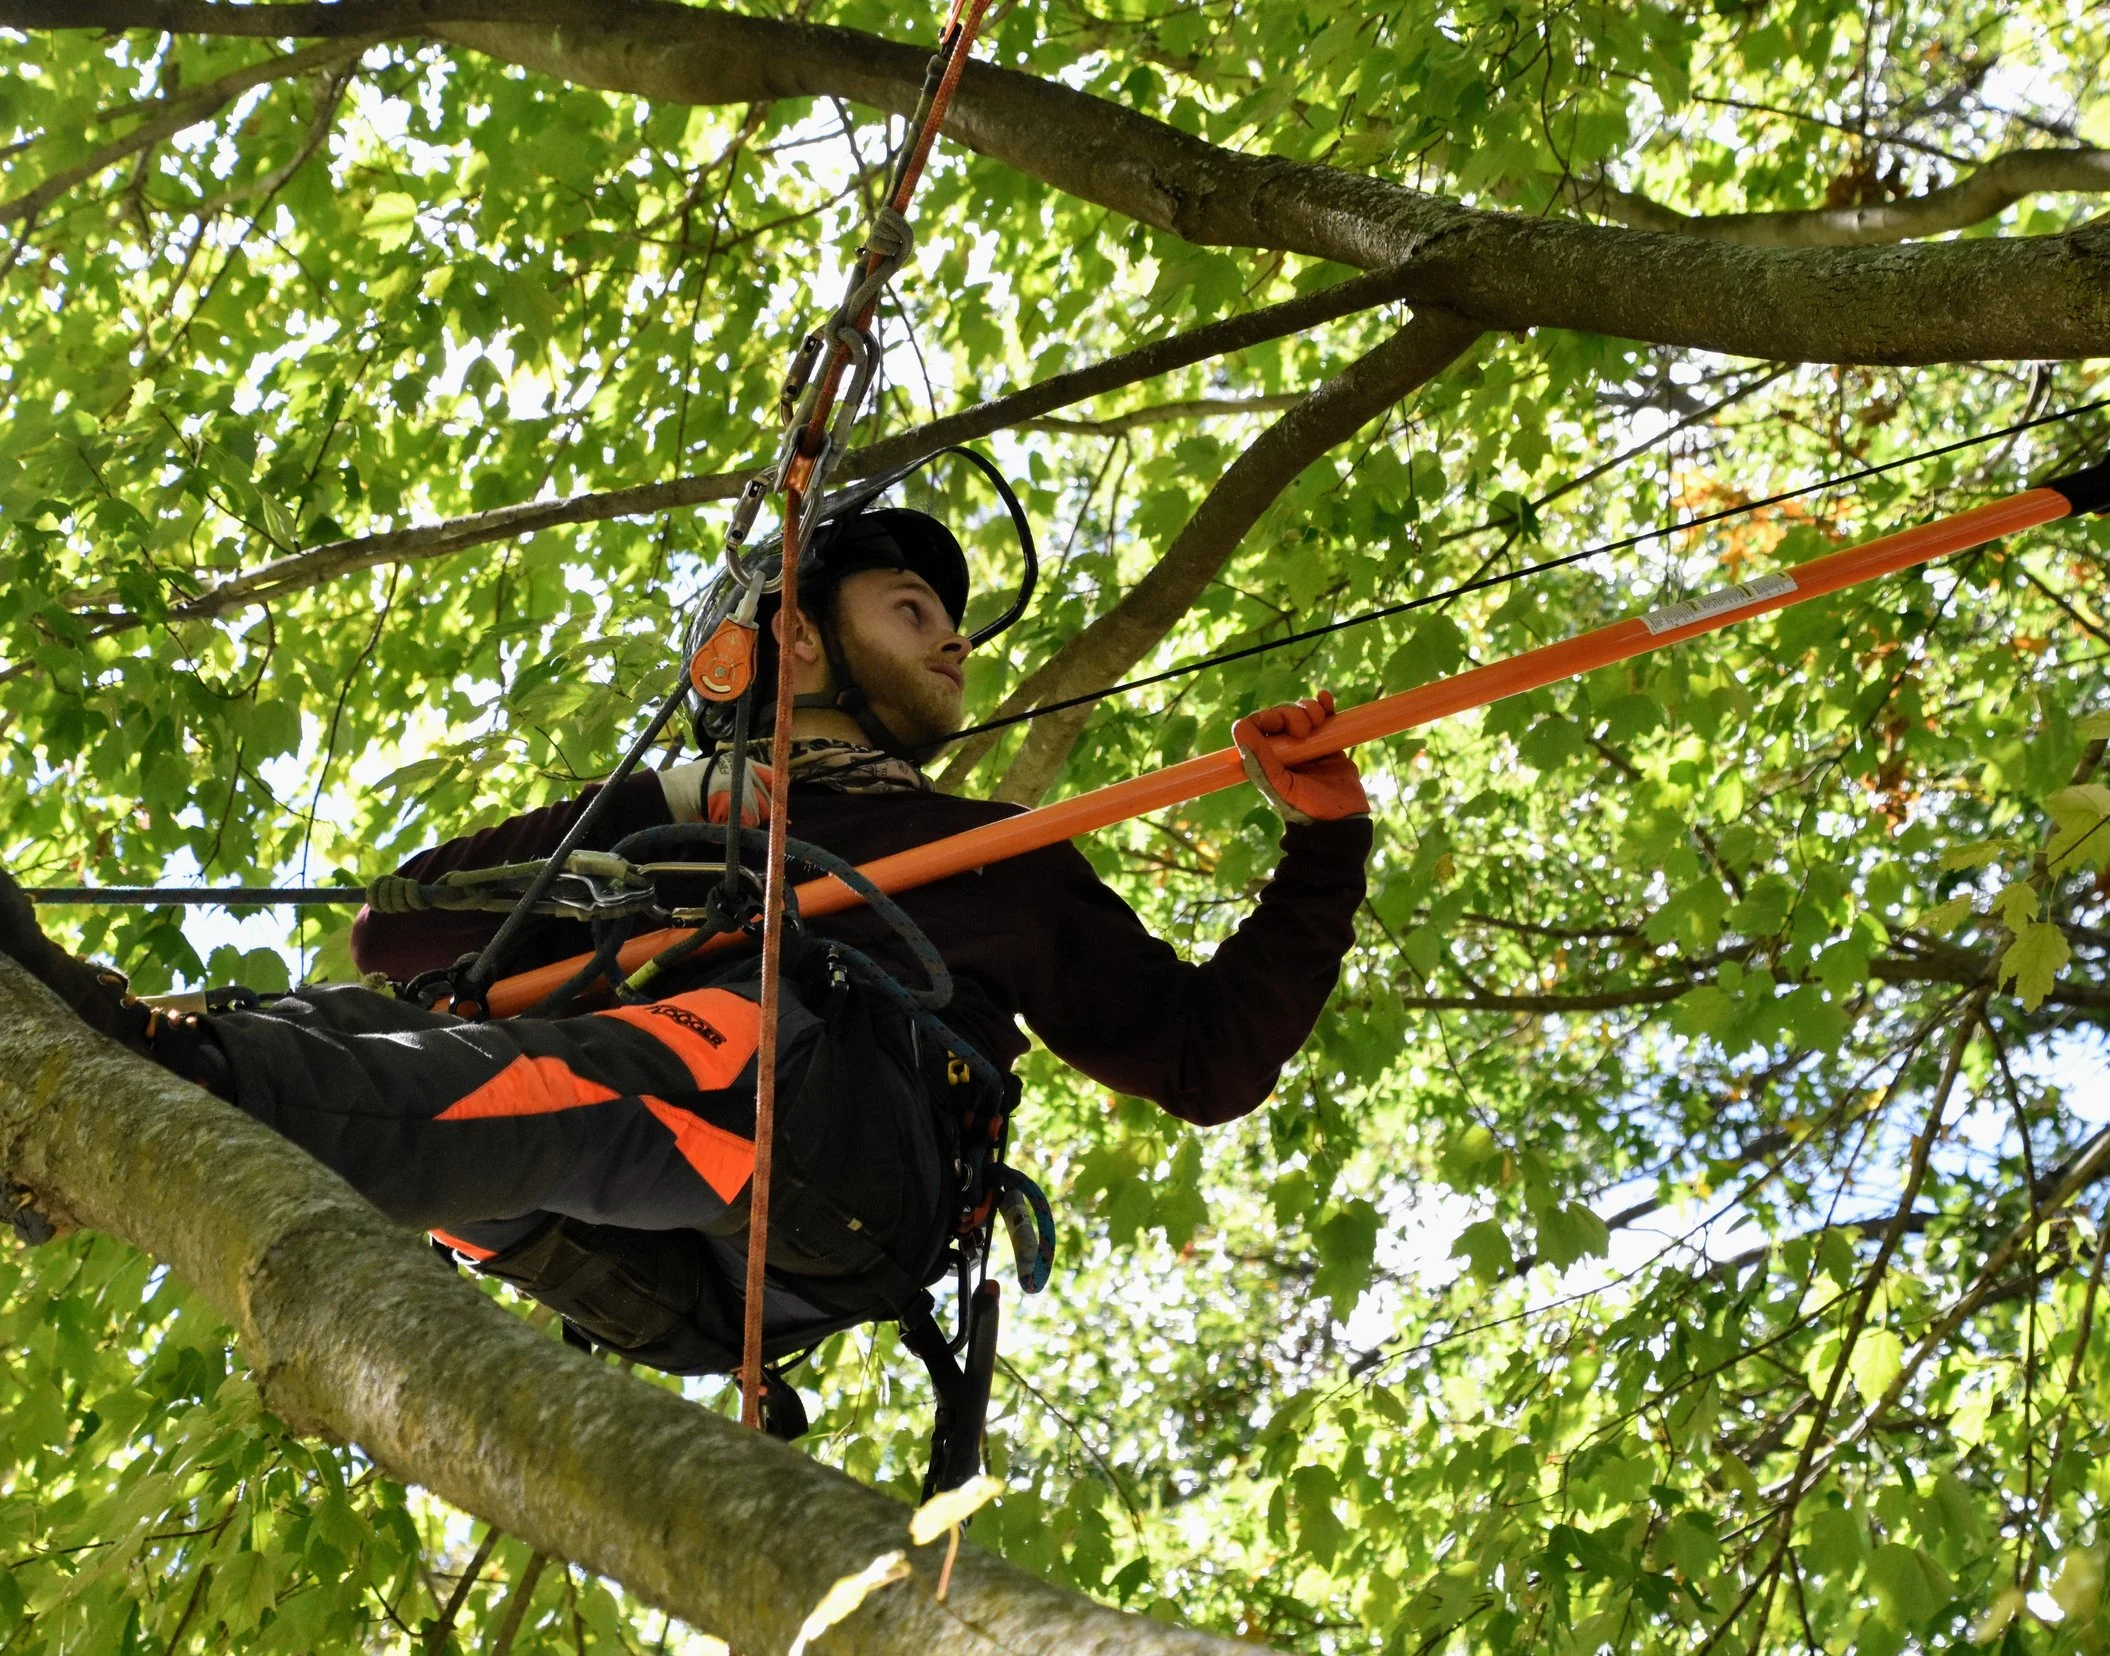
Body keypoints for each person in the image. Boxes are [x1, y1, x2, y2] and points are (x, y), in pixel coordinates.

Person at [0, 507, 1372, 1393]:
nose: (953, 642)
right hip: (638, 1232)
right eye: (913, 607)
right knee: (370, 1036)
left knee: (659, 1058)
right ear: (797, 640)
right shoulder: (653, 841)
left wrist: (1323, 847)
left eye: (949, 622)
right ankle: (110, 1062)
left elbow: (1204, 1056)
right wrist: (682, 801)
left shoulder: (993, 852)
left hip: (836, 1162)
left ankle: (135, 1056)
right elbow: (405, 927)